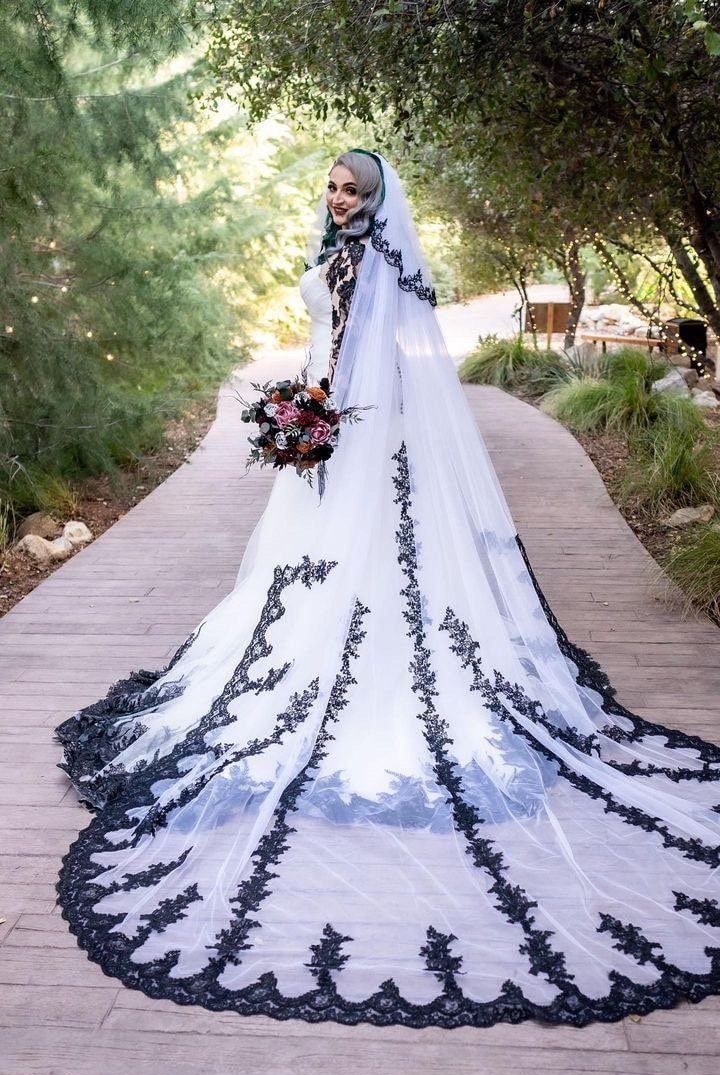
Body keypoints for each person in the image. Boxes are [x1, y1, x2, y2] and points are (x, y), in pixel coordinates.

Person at [55, 149, 720, 1029]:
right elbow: (324, 343)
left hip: (366, 435)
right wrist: (301, 410)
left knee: (376, 572)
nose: (338, 198)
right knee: (302, 581)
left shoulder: (373, 259)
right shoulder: (335, 253)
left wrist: (324, 421)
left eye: (352, 189)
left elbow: (381, 358)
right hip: (334, 425)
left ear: (375, 200)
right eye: (331, 186)